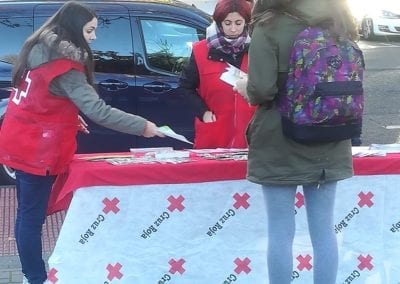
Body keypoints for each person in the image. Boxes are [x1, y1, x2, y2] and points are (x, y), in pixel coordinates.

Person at [0, 2, 163, 283]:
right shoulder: (64, 65)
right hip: (36, 149)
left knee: (28, 213)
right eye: (89, 30)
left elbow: (40, 97)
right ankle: (34, 277)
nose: (94, 37)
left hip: (20, 139)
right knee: (31, 217)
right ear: (74, 29)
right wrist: (143, 126)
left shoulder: (37, 49)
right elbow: (98, 110)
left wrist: (68, 117)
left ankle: (32, 274)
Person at [236, 0, 359, 283]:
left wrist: (245, 87)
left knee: (280, 231)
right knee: (324, 230)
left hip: (280, 138)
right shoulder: (339, 21)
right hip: (331, 137)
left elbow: (263, 90)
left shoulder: (269, 25)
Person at [179, 0, 255, 149]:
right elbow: (185, 87)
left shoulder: (256, 50)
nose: (233, 29)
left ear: (246, 23)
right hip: (214, 131)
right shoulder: (200, 51)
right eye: (228, 23)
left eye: (238, 23)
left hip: (249, 133)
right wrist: (203, 112)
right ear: (219, 23)